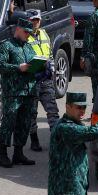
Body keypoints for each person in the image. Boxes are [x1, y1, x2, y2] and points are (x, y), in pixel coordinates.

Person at [0, 17, 38, 168]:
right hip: (13, 91)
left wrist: (41, 67)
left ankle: (18, 153)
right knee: (9, 122)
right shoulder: (6, 46)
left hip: (29, 91)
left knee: (24, 123)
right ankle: (3, 154)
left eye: (30, 33)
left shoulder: (29, 47)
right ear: (18, 29)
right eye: (26, 32)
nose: (28, 35)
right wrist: (19, 67)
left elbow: (33, 64)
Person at [25, 10, 60, 152]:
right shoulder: (24, 37)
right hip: (31, 81)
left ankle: (57, 140)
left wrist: (51, 69)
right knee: (31, 113)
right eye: (33, 20)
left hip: (46, 80)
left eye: (37, 20)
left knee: (52, 111)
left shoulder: (44, 34)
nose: (35, 22)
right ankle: (34, 140)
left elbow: (50, 54)